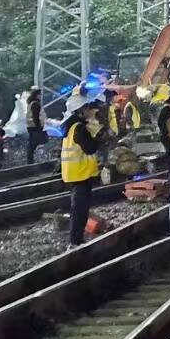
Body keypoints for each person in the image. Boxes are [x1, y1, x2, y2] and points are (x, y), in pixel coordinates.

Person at [61, 94, 105, 246]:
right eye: (86, 108)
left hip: (75, 173)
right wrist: (98, 138)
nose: (89, 110)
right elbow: (90, 148)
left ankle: (77, 239)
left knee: (79, 208)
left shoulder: (71, 127)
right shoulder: (79, 128)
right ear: (80, 110)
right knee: (79, 210)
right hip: (80, 173)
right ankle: (75, 241)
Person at [26, 86, 47, 163]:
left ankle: (30, 161)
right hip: (35, 127)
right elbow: (36, 117)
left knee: (32, 144)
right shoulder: (35, 104)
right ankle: (31, 161)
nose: (40, 96)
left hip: (31, 127)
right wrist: (39, 128)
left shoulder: (31, 103)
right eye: (39, 94)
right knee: (35, 144)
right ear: (36, 95)